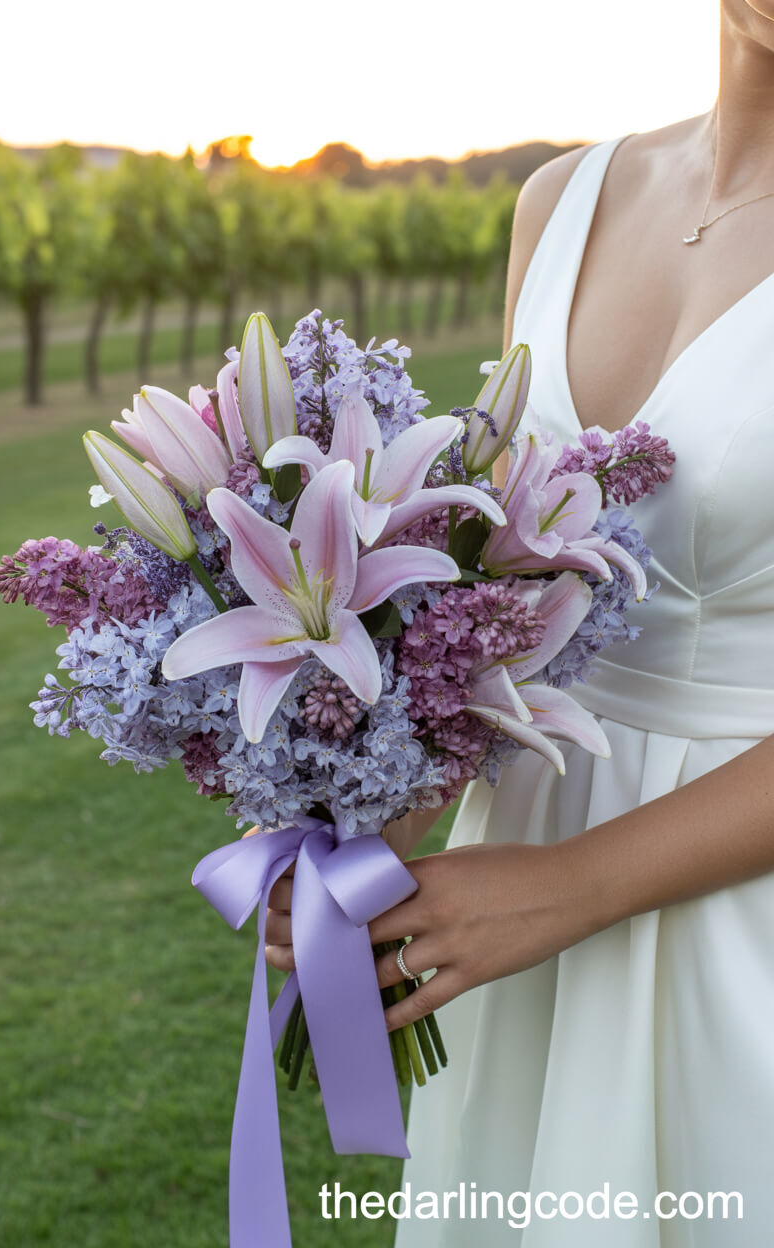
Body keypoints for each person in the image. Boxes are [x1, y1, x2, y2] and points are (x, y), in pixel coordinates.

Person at [264, 2, 774, 1241]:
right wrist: (374, 814)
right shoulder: (561, 201)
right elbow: (506, 591)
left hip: (730, 911)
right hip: (509, 890)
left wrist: (570, 886)